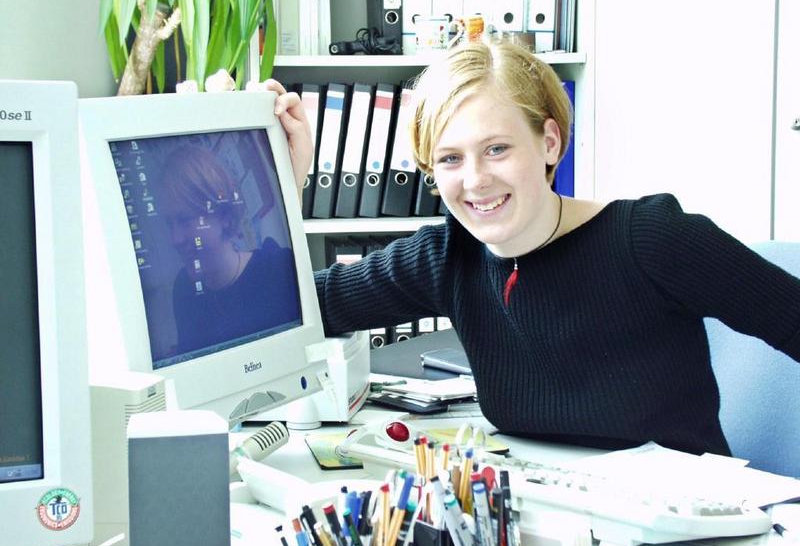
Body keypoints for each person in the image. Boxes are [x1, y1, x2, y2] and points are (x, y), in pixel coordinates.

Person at [265, 40, 800, 457]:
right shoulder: (447, 258)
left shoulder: (651, 239)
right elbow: (285, 310)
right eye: (449, 159)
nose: (475, 181)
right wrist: (281, 187)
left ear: (549, 142)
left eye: (496, 149)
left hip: (693, 541)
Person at [159, 143, 300, 357]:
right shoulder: (184, 288)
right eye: (170, 223)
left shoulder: (279, 268)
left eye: (185, 220)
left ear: (224, 216)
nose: (175, 239)